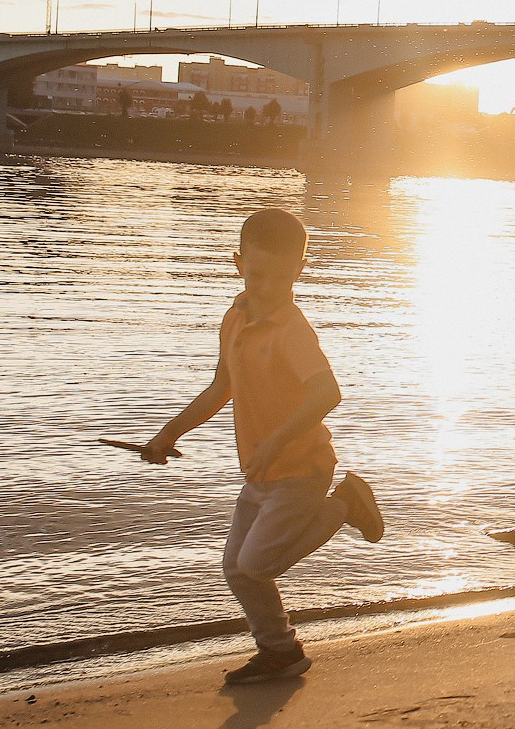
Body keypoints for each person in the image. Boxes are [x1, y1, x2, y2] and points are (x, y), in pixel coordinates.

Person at [138, 208, 384, 684]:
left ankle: (344, 507)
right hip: (261, 473)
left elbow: (327, 392)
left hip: (301, 470)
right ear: (238, 265)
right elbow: (219, 388)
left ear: (300, 270)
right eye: (256, 275)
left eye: (278, 276)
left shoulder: (293, 331)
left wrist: (276, 439)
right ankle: (281, 651)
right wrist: (170, 433)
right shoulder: (235, 319)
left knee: (255, 563)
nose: (266, 287)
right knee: (235, 568)